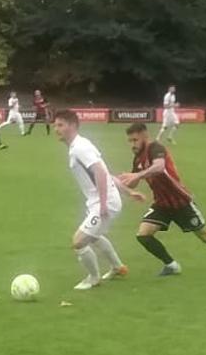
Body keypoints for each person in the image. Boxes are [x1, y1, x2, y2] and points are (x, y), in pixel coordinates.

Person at [119, 123, 206, 276]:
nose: (132, 144)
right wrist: (125, 179)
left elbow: (159, 167)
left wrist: (138, 175)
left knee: (205, 236)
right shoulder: (138, 158)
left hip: (180, 201)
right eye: (130, 141)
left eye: (135, 140)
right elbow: (134, 181)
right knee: (143, 235)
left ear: (144, 136)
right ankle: (172, 265)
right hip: (162, 203)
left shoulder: (155, 148)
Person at [53, 110, 146, 290]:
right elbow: (104, 171)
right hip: (99, 201)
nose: (56, 129)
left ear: (72, 126)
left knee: (79, 242)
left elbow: (100, 173)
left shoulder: (80, 147)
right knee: (95, 237)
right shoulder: (78, 146)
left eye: (60, 125)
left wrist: (103, 205)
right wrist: (128, 191)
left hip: (104, 202)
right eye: (55, 125)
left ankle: (93, 278)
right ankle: (118, 267)